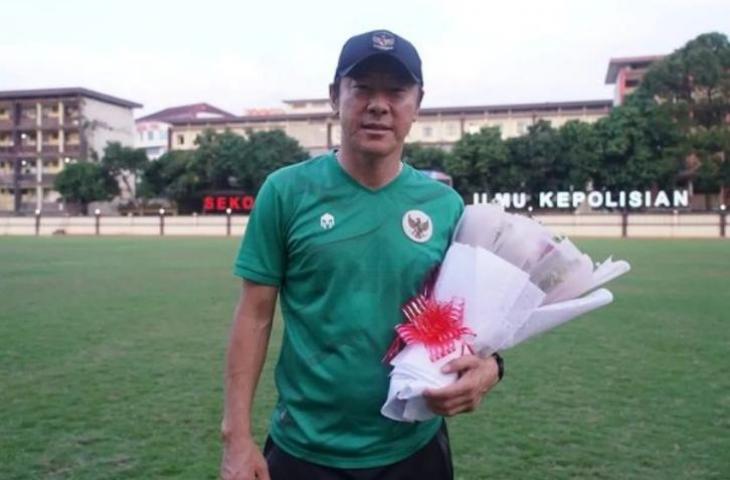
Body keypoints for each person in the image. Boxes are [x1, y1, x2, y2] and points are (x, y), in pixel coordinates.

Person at [221, 29, 502, 480]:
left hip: (414, 448)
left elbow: (472, 318)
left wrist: (491, 367)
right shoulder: (285, 191)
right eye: (362, 88)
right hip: (304, 452)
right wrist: (236, 438)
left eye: (396, 91)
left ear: (418, 103)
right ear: (335, 96)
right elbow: (253, 316)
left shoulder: (445, 206)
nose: (378, 104)